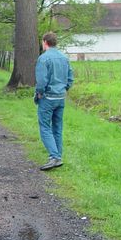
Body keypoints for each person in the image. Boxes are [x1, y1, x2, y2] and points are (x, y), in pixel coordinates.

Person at [34, 32, 74, 171]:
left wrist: (39, 93)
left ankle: (54, 157)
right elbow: (70, 78)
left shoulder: (43, 58)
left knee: (45, 127)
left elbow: (41, 81)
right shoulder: (64, 58)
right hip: (61, 98)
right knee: (57, 128)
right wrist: (64, 89)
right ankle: (58, 157)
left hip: (48, 98)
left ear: (45, 42)